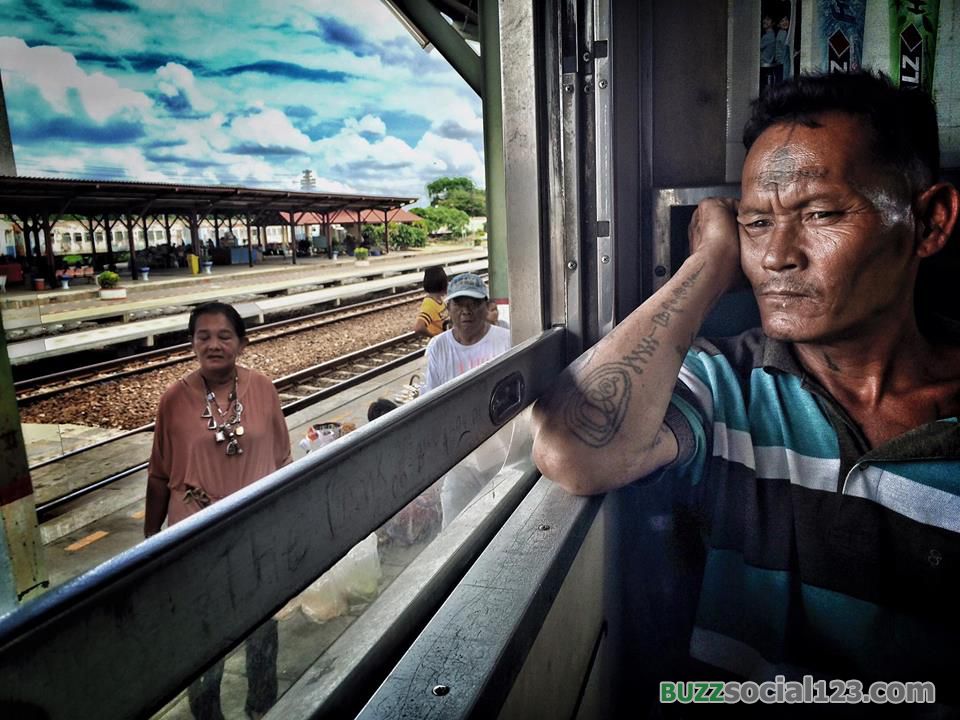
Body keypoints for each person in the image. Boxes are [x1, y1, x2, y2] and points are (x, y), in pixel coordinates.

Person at [532, 72, 960, 700]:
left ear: (928, 223)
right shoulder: (729, 386)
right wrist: (706, 263)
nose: (779, 255)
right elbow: (573, 446)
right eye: (756, 224)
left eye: (820, 213)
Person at [145, 301, 292, 720]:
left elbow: (282, 461)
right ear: (191, 343)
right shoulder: (174, 400)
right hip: (197, 538)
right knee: (204, 636)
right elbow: (158, 476)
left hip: (255, 532)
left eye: (224, 336)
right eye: (203, 336)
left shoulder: (262, 388)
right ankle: (208, 714)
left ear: (242, 343)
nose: (213, 345)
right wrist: (151, 546)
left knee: (262, 625)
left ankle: (262, 708)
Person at [423, 272, 512, 525]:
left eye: (474, 304)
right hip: (460, 458)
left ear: (486, 307)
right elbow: (429, 402)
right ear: (448, 308)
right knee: (453, 526)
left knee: (501, 523)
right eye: (459, 304)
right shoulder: (439, 348)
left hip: (502, 454)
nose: (466, 311)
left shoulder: (505, 341)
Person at [412, 265, 448, 338]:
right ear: (442, 284)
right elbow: (419, 327)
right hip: (439, 346)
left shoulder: (438, 301)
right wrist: (434, 337)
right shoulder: (429, 305)